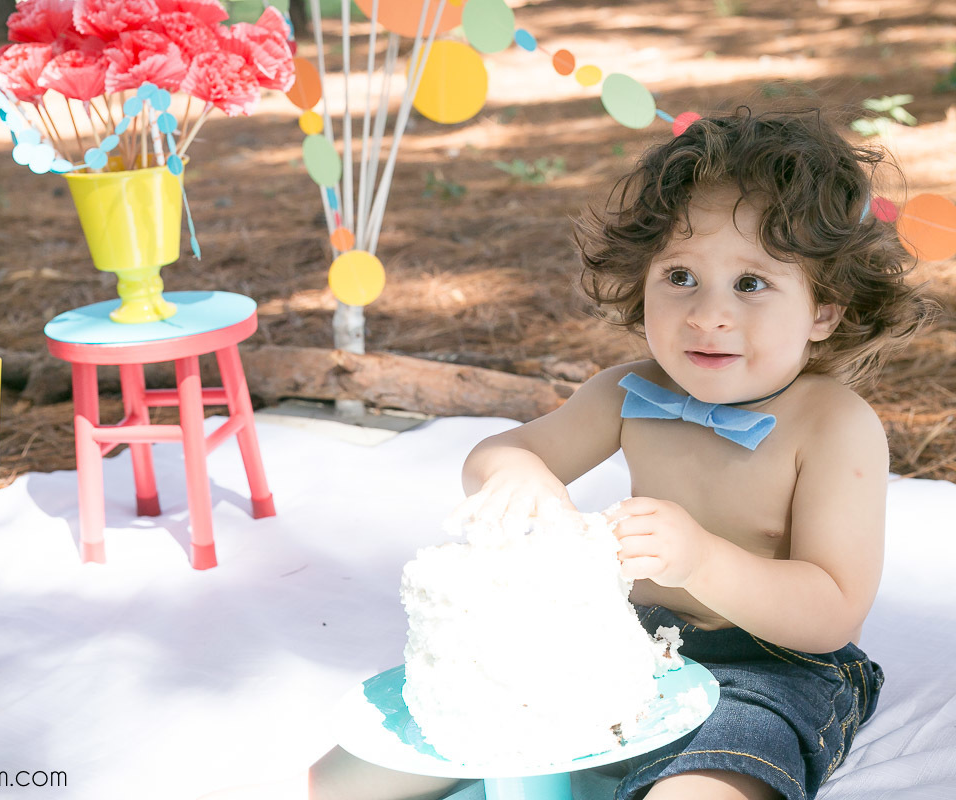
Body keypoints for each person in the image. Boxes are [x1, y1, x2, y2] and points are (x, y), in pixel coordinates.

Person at [202, 108, 933, 800]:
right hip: (622, 643)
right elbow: (501, 451)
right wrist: (523, 475)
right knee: (361, 770)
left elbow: (832, 611)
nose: (709, 313)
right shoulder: (630, 391)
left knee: (708, 779)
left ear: (825, 310)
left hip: (776, 667)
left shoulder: (834, 424)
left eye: (752, 283)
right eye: (680, 277)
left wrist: (703, 561)